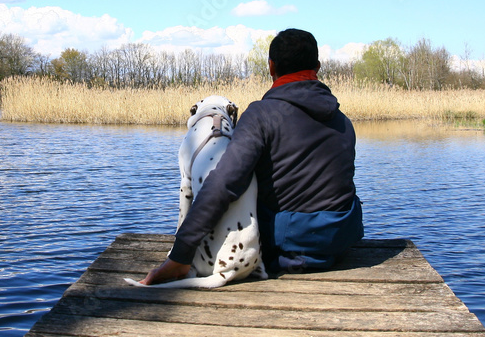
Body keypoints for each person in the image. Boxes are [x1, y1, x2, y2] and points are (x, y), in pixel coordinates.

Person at [139, 28, 363, 285]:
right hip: (342, 240)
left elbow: (223, 183)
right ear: (318, 66)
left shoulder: (261, 115)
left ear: (271, 67)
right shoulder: (343, 121)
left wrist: (180, 255)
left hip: (289, 248)